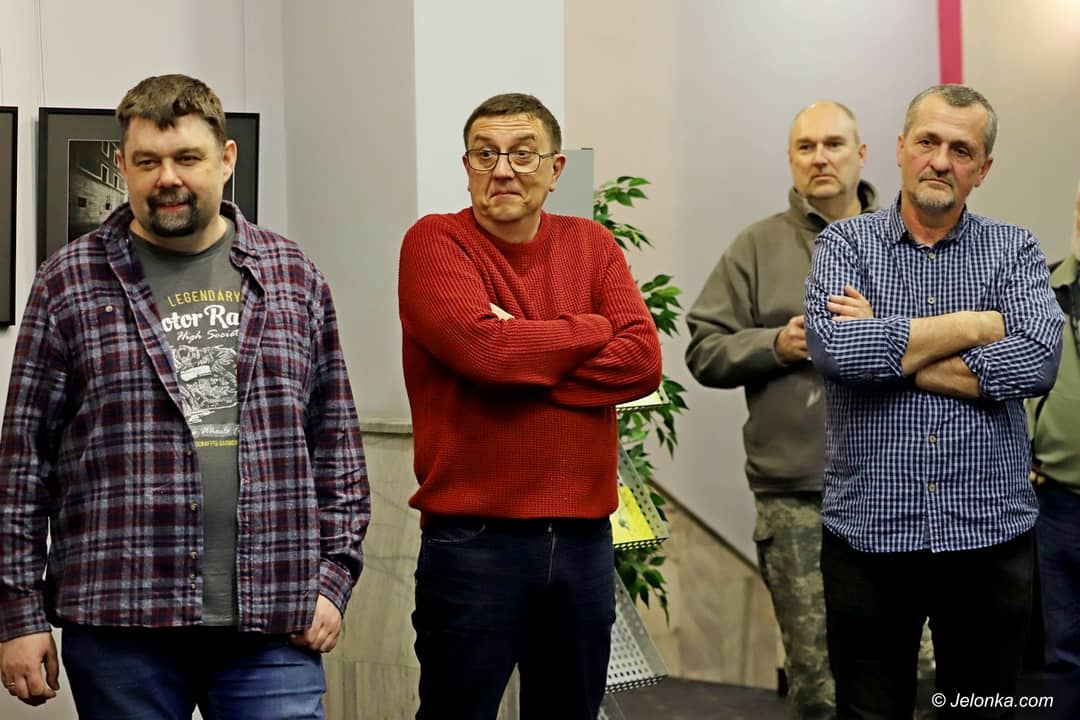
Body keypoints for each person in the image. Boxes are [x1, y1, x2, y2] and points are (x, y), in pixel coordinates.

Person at [0, 74, 369, 719]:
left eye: (187, 158)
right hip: (120, 619)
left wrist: (333, 580)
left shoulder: (293, 276)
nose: (167, 178)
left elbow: (336, 444)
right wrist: (19, 614)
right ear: (123, 166)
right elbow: (23, 464)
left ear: (226, 159)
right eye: (147, 161)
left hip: (272, 618)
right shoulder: (68, 281)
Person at [398, 92, 662, 719]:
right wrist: (591, 328)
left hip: (583, 541)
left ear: (555, 168)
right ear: (467, 166)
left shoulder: (592, 244)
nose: (503, 171)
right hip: (474, 542)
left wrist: (519, 348)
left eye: (522, 155)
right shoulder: (436, 241)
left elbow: (642, 362)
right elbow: (485, 353)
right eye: (485, 155)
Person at [804, 83, 1064, 719]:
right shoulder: (844, 245)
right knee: (870, 712)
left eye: (961, 150)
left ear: (983, 168)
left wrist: (886, 339)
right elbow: (837, 351)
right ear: (900, 148)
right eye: (928, 142)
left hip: (987, 534)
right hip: (869, 533)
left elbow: (1037, 360)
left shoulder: (1015, 249)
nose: (941, 161)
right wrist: (976, 325)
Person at [685, 100, 876, 719]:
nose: (820, 158)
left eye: (833, 144)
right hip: (795, 498)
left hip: (898, 492)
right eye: (805, 147)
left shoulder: (904, 240)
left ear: (861, 154)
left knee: (918, 677)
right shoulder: (757, 245)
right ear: (791, 159)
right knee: (818, 687)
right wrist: (777, 345)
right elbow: (704, 349)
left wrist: (884, 330)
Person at [1028, 182, 1080, 718]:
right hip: (1059, 505)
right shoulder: (1043, 288)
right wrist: (1022, 453)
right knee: (1063, 655)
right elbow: (1013, 377)